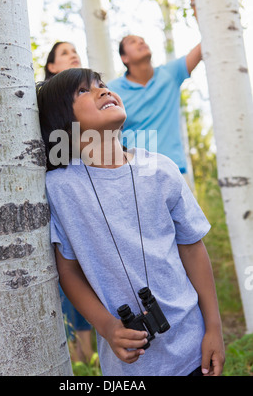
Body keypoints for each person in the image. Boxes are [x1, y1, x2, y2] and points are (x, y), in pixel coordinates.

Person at [37, 68, 225, 376]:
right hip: (130, 370)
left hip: (193, 350)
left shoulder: (160, 169)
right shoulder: (59, 188)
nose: (103, 90)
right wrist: (108, 327)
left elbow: (192, 248)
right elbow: (67, 269)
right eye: (83, 91)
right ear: (62, 121)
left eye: (102, 84)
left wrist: (214, 329)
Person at [107, 0, 200, 181]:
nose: (141, 42)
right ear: (124, 58)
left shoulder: (170, 74)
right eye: (132, 41)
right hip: (133, 172)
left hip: (174, 169)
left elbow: (208, 42)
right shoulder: (112, 90)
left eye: (142, 39)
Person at [39, 42, 94, 364]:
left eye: (75, 51)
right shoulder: (44, 106)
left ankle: (87, 354)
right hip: (57, 198)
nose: (73, 54)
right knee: (67, 270)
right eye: (64, 53)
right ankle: (80, 354)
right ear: (51, 67)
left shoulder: (86, 105)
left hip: (85, 191)